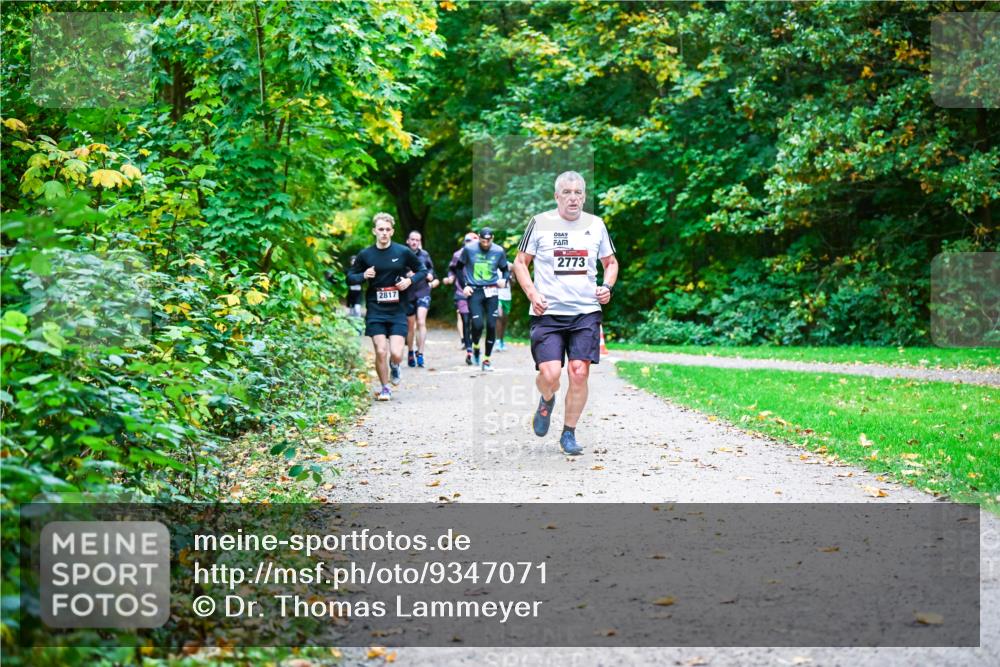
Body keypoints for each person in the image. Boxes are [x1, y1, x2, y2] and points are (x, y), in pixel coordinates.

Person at [512, 171, 618, 455]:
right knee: (550, 375)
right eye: (567, 193)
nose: (573, 198)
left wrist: (607, 286)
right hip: (548, 312)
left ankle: (569, 433)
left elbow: (610, 263)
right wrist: (532, 294)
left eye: (578, 192)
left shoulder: (596, 225)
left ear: (584, 196)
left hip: (585, 312)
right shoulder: (540, 223)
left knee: (579, 372)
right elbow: (520, 262)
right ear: (557, 196)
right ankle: (547, 398)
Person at [347, 212, 427, 401]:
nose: (384, 232)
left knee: (397, 354)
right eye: (380, 229)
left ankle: (395, 365)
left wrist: (409, 281)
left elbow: (422, 270)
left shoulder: (402, 252)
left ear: (392, 231)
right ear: (374, 231)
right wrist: (363, 275)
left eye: (387, 229)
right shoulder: (365, 255)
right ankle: (385, 388)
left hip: (398, 309)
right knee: (381, 350)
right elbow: (350, 277)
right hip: (375, 309)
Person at [455, 227, 510, 372]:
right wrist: (464, 286)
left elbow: (505, 270)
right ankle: (476, 346)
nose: (485, 244)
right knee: (478, 325)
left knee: (492, 325)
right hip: (475, 291)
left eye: (488, 241)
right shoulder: (469, 249)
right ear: (479, 238)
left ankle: (486, 360)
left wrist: (504, 280)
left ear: (492, 239)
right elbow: (458, 268)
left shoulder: (498, 251)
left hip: (492, 290)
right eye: (483, 241)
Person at [403, 230, 438, 368]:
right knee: (411, 326)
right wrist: (406, 274)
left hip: (423, 291)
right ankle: (410, 351)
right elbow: (396, 270)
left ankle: (421, 353)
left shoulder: (425, 255)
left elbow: (432, 271)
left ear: (420, 242)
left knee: (421, 321)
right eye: (412, 239)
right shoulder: (402, 254)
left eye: (417, 240)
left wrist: (430, 275)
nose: (414, 242)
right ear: (408, 241)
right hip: (408, 293)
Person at [443, 232, 477, 360]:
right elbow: (452, 269)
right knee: (465, 320)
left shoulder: (480, 255)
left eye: (472, 242)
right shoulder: (457, 255)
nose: (469, 244)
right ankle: (469, 349)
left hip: (476, 293)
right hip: (461, 291)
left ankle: (474, 343)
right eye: (467, 241)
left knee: (476, 322)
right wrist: (451, 277)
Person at [495, 279, 512, 351]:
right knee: (499, 316)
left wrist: (510, 278)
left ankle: (502, 340)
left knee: (505, 320)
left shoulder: (510, 271)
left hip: (507, 297)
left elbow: (513, 283)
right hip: (498, 296)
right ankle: (497, 341)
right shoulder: (495, 271)